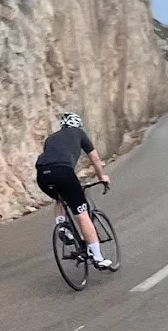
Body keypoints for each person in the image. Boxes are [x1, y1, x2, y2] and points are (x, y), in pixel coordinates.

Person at [35, 111, 114, 269]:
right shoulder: (79, 133)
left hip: (42, 175)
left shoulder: (51, 138)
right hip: (63, 172)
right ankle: (98, 258)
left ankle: (62, 225)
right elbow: (95, 159)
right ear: (77, 124)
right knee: (82, 215)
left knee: (59, 197)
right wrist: (102, 177)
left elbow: (53, 157)